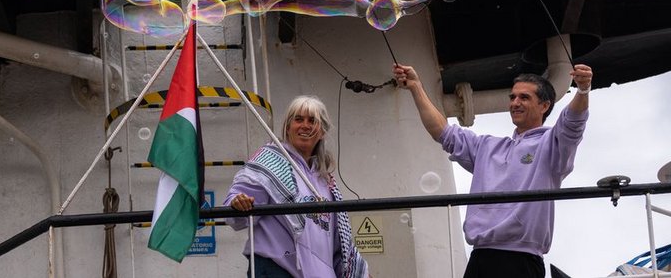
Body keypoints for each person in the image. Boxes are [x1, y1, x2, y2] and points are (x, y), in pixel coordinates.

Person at [393, 62, 594, 278]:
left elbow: (572, 123)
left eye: (524, 97)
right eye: (512, 97)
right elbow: (443, 133)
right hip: (480, 258)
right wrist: (416, 87)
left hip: (521, 261)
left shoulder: (552, 145)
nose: (515, 103)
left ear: (544, 106)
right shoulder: (487, 146)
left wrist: (583, 90)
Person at [225, 95, 369, 278]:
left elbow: (339, 243)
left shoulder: (326, 181)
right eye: (298, 119)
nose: (305, 126)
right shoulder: (270, 163)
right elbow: (235, 213)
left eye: (312, 121)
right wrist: (238, 202)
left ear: (322, 131)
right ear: (287, 128)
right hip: (277, 269)